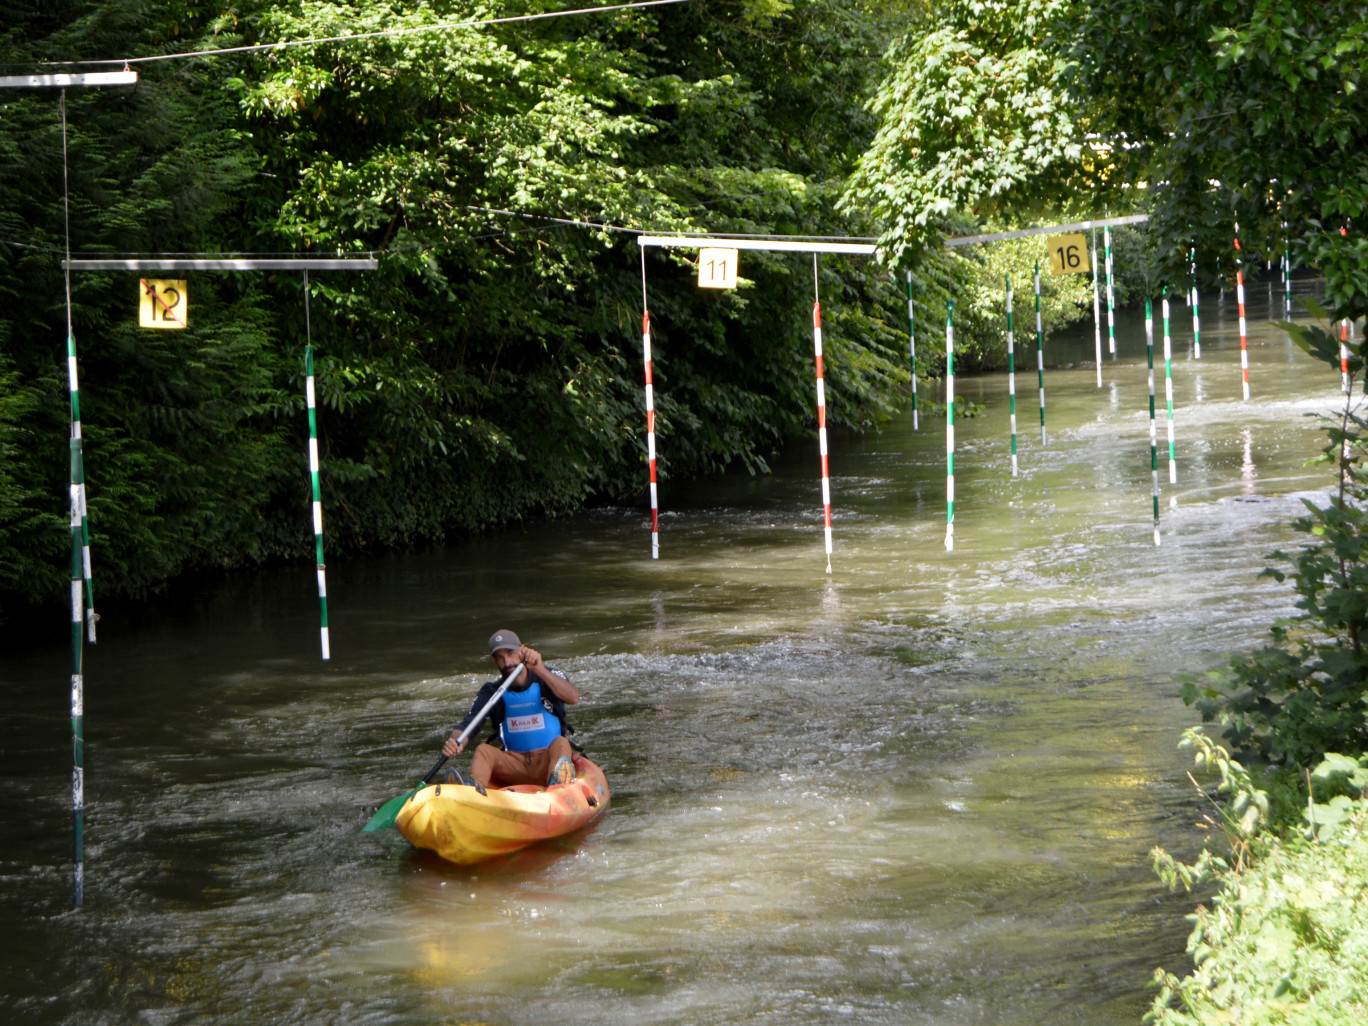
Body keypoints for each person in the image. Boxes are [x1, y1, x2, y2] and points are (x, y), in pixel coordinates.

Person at [442, 629, 581, 790]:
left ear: (522, 650)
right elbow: (468, 724)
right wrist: (456, 741)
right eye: (500, 658)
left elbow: (573, 697)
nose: (507, 662)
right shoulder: (492, 691)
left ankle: (558, 785)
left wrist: (539, 669)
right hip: (514, 765)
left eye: (510, 653)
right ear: (494, 660)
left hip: (549, 761)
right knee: (483, 750)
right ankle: (474, 790)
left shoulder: (546, 676)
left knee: (561, 743)